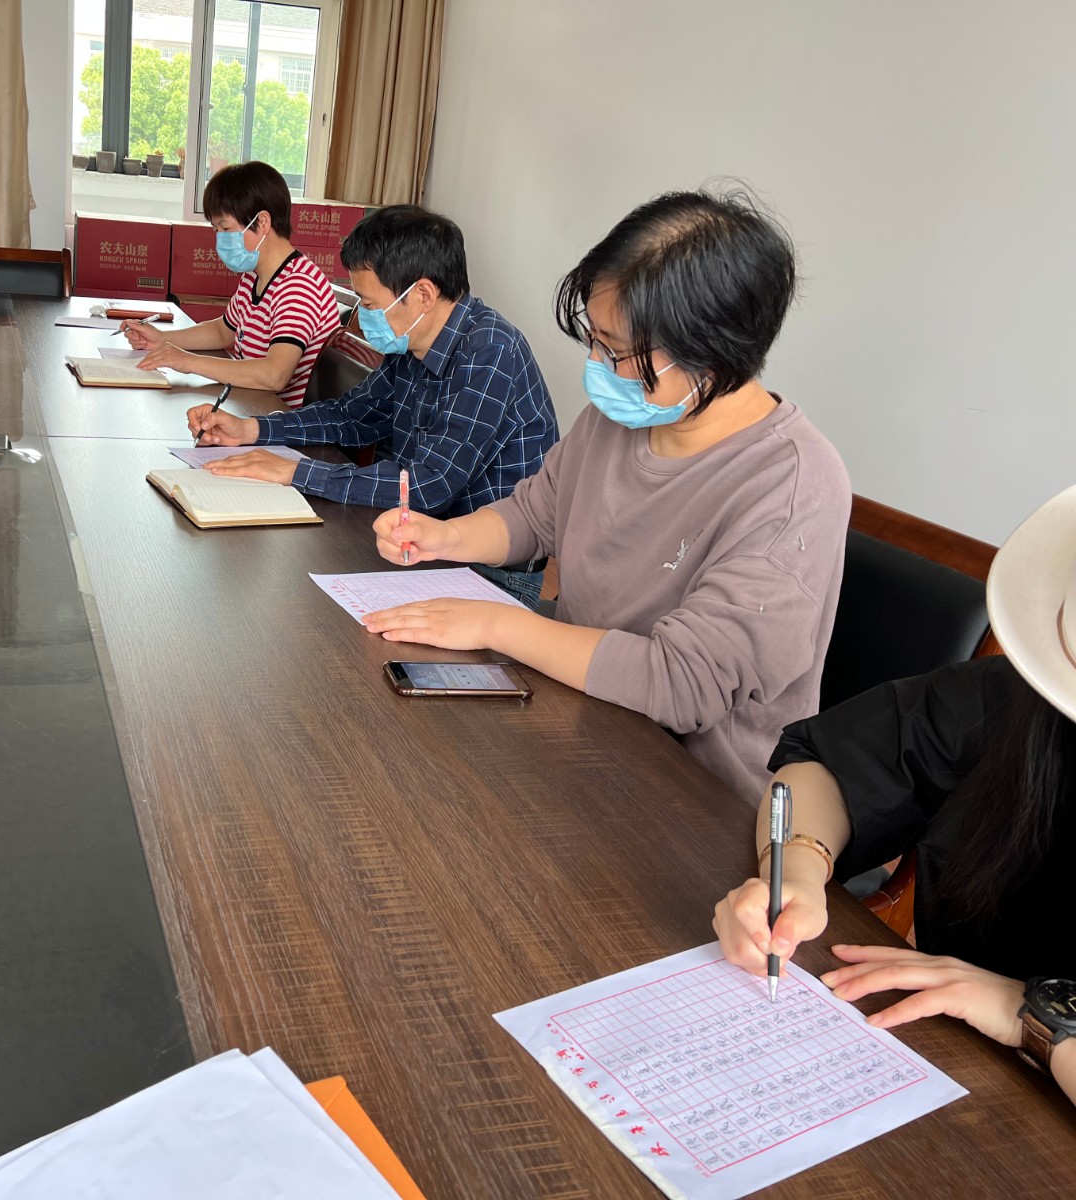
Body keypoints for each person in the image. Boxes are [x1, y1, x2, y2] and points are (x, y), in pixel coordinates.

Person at [367, 191, 850, 800]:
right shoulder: (625, 412)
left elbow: (682, 683)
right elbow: (536, 513)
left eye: (616, 351)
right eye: (594, 340)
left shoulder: (793, 484)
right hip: (575, 719)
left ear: (713, 351)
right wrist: (445, 536)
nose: (597, 365)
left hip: (689, 793)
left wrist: (495, 623)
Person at [713, 484, 1076, 1105]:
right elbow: (830, 763)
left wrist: (1027, 1013)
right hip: (945, 1055)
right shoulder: (1025, 701)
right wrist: (796, 869)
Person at [189, 205, 559, 590]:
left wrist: (294, 472)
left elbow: (429, 484)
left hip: (489, 570)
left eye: (369, 304)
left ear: (423, 295)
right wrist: (252, 429)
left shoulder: (490, 352)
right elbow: (352, 416)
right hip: (417, 539)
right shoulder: (413, 341)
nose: (364, 316)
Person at [124, 160, 338, 408]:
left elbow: (275, 375)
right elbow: (222, 331)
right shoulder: (255, 274)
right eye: (216, 230)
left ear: (262, 222)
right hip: (247, 403)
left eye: (225, 228)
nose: (220, 239)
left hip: (275, 417)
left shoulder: (298, 286)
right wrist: (163, 339)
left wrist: (188, 362)